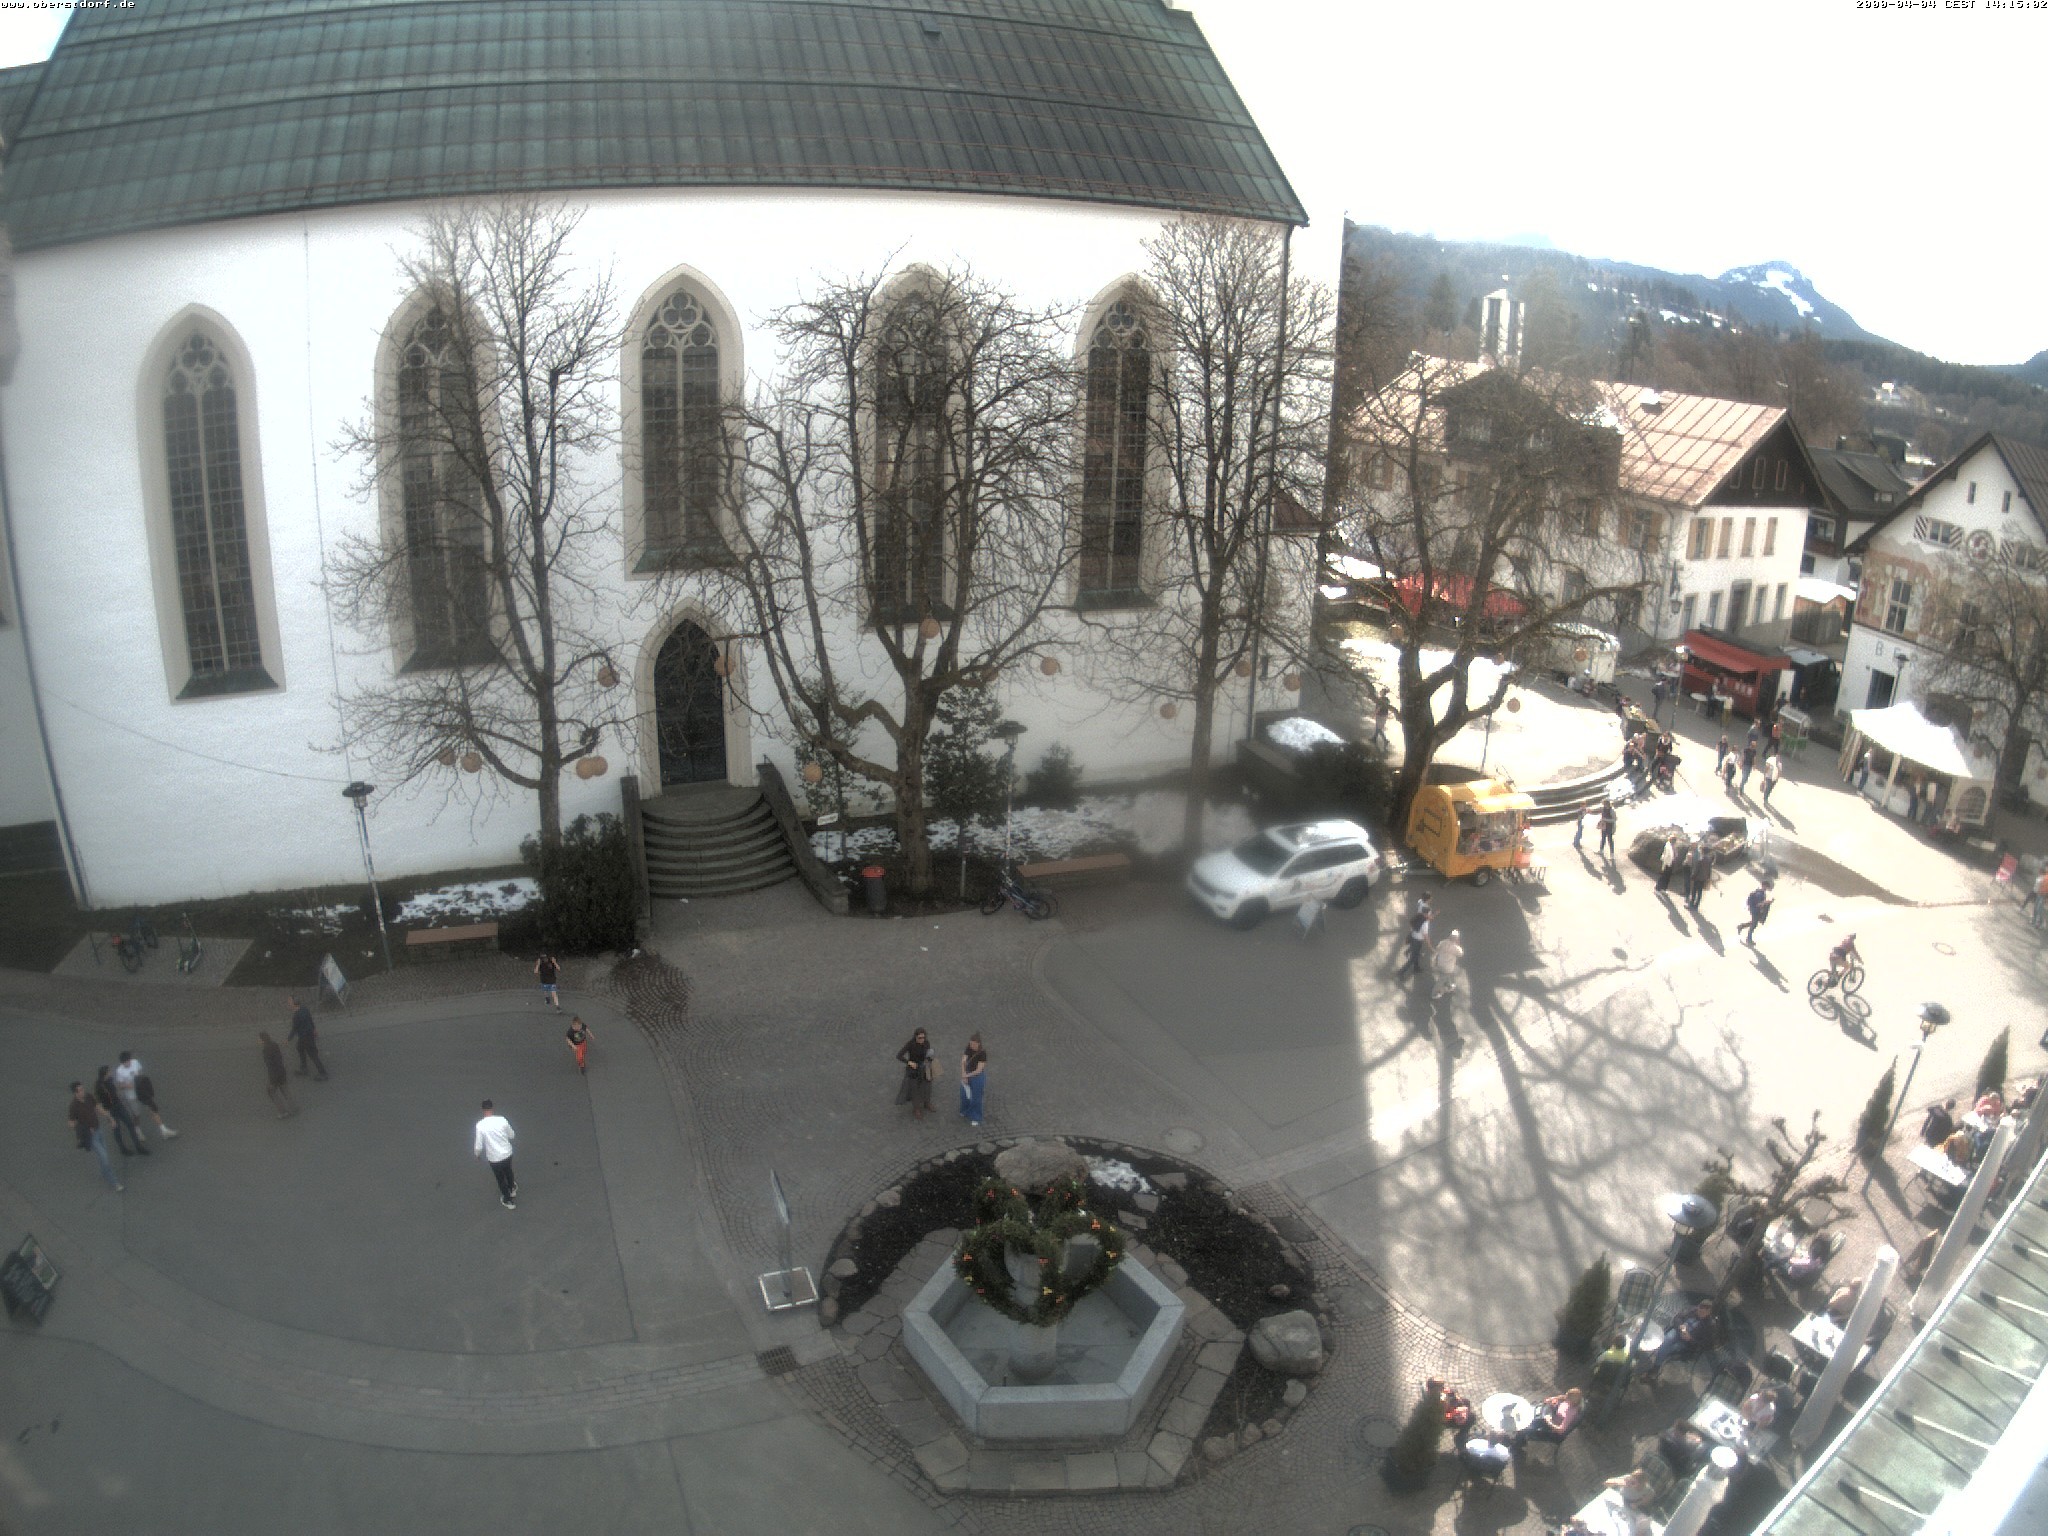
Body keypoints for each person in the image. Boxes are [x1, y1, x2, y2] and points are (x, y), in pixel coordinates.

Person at [69, 1081, 123, 1192]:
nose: (83, 1091)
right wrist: (82, 1128)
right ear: (75, 1093)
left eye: (82, 1089)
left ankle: (104, 1172)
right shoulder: (73, 1106)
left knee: (104, 1155)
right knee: (105, 1158)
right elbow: (71, 1122)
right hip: (91, 1136)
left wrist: (110, 1118)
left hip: (99, 1130)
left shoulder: (88, 1097)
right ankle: (115, 1182)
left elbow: (98, 1108)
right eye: (80, 1090)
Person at [113, 1050, 178, 1140]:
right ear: (122, 1063)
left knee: (152, 1109)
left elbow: (140, 1072)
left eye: (128, 1061)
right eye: (125, 1063)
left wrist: (140, 1082)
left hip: (141, 1092)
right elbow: (120, 1085)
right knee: (136, 1115)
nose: (128, 1063)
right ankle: (137, 1130)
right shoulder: (119, 1071)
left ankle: (164, 1130)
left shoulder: (135, 1062)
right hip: (132, 1096)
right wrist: (131, 1085)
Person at [94, 1065, 149, 1157]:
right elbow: (99, 1101)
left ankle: (138, 1146)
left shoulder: (110, 1080)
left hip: (118, 1105)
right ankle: (123, 1148)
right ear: (105, 1073)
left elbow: (115, 1091)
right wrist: (107, 1114)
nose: (111, 1072)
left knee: (130, 1124)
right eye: (109, 1071)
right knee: (117, 1129)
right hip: (110, 1109)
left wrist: (120, 1099)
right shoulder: (100, 1086)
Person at [475, 1100, 517, 1209]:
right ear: (492, 1108)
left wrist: (477, 1154)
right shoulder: (502, 1120)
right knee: (508, 1170)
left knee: (500, 1178)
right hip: (507, 1152)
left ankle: (508, 1200)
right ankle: (512, 1188)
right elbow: (512, 1135)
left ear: (483, 1110)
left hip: (494, 1157)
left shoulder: (480, 1125)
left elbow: (478, 1145)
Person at [1650, 1301, 1716, 1370]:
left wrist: (1690, 1339)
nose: (1700, 1313)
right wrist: (1680, 1325)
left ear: (1709, 1312)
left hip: (1688, 1343)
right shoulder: (1691, 1310)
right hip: (1678, 1331)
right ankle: (1656, 1366)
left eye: (1703, 1313)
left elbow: (1706, 1344)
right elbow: (1677, 1318)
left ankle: (1656, 1367)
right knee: (1667, 1340)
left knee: (1672, 1348)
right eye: (1700, 1310)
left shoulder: (1710, 1325)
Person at [1515, 1388, 1582, 1452]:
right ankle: (1520, 1438)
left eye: (1567, 1398)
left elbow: (1560, 1430)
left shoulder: (1571, 1413)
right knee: (1531, 1413)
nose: (1565, 1398)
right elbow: (1562, 1397)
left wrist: (1548, 1421)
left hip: (1552, 1428)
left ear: (1573, 1402)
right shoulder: (1568, 1400)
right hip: (1550, 1415)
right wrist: (1552, 1399)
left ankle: (1517, 1445)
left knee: (1526, 1428)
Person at [285, 994, 328, 1079]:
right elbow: (310, 1020)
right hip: (307, 1035)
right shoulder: (304, 1009)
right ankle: (304, 1068)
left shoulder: (296, 1015)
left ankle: (323, 1073)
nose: (288, 1003)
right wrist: (314, 1029)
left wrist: (288, 1039)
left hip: (305, 1037)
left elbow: (294, 1029)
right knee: (299, 1048)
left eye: (290, 1001)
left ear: (294, 1003)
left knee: (313, 1055)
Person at [895, 1029, 935, 1119]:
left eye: (923, 1037)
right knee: (915, 1088)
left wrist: (929, 1058)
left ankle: (927, 1103)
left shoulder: (926, 1043)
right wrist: (909, 1062)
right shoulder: (910, 1044)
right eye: (920, 1038)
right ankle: (916, 1108)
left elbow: (928, 1054)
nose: (922, 1039)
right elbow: (899, 1056)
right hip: (913, 1070)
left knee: (927, 1086)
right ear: (915, 1037)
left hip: (924, 1068)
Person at [258, 1031, 296, 1118]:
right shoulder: (274, 1044)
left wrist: (272, 1081)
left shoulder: (266, 1050)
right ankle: (293, 1108)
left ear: (262, 1040)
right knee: (284, 1090)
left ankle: (283, 1112)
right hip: (282, 1071)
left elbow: (270, 1066)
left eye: (259, 1039)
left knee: (271, 1092)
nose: (258, 1040)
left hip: (275, 1075)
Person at [1395, 898, 1433, 979]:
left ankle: (1416, 968)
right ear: (1426, 914)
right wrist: (1430, 946)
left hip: (1413, 938)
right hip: (1418, 941)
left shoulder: (1417, 916)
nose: (1430, 915)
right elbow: (1426, 936)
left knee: (1415, 955)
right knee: (1413, 958)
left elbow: (1411, 926)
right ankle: (1401, 972)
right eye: (1430, 913)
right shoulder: (1425, 923)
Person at [959, 1034, 988, 1126]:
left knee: (976, 1097)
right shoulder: (968, 1048)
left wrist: (967, 1075)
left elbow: (979, 1070)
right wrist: (964, 1074)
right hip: (967, 1073)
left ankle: (976, 1116)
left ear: (978, 1044)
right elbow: (963, 1061)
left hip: (977, 1077)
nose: (972, 1046)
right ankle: (965, 1110)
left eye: (974, 1044)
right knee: (964, 1094)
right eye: (971, 1044)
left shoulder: (982, 1053)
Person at [1430, 928, 1464, 1002]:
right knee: (1441, 980)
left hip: (1440, 963)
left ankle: (1449, 986)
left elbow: (1437, 948)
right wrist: (1458, 945)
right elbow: (1460, 954)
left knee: (1446, 976)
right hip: (1448, 967)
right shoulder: (1456, 948)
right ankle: (1434, 993)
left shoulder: (1443, 942)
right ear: (1457, 939)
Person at [1686, 840, 1714, 910]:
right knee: (1700, 892)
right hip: (1703, 878)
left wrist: (1692, 876)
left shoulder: (1700, 860)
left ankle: (1691, 904)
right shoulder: (1709, 860)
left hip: (1697, 878)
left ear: (1703, 851)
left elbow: (1696, 870)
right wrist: (1708, 878)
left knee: (1694, 891)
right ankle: (1696, 905)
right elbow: (1709, 870)